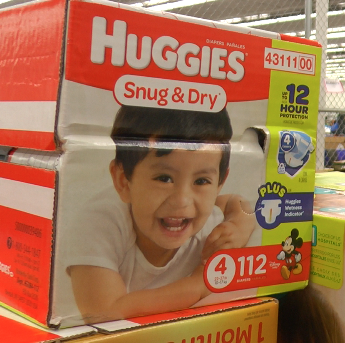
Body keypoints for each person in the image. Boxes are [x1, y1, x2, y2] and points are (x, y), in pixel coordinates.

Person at [64, 106, 257, 324]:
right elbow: (105, 312)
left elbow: (233, 202)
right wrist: (200, 283)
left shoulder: (208, 220)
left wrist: (240, 222)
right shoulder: (98, 222)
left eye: (201, 181)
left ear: (219, 183)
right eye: (164, 178)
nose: (182, 200)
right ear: (123, 181)